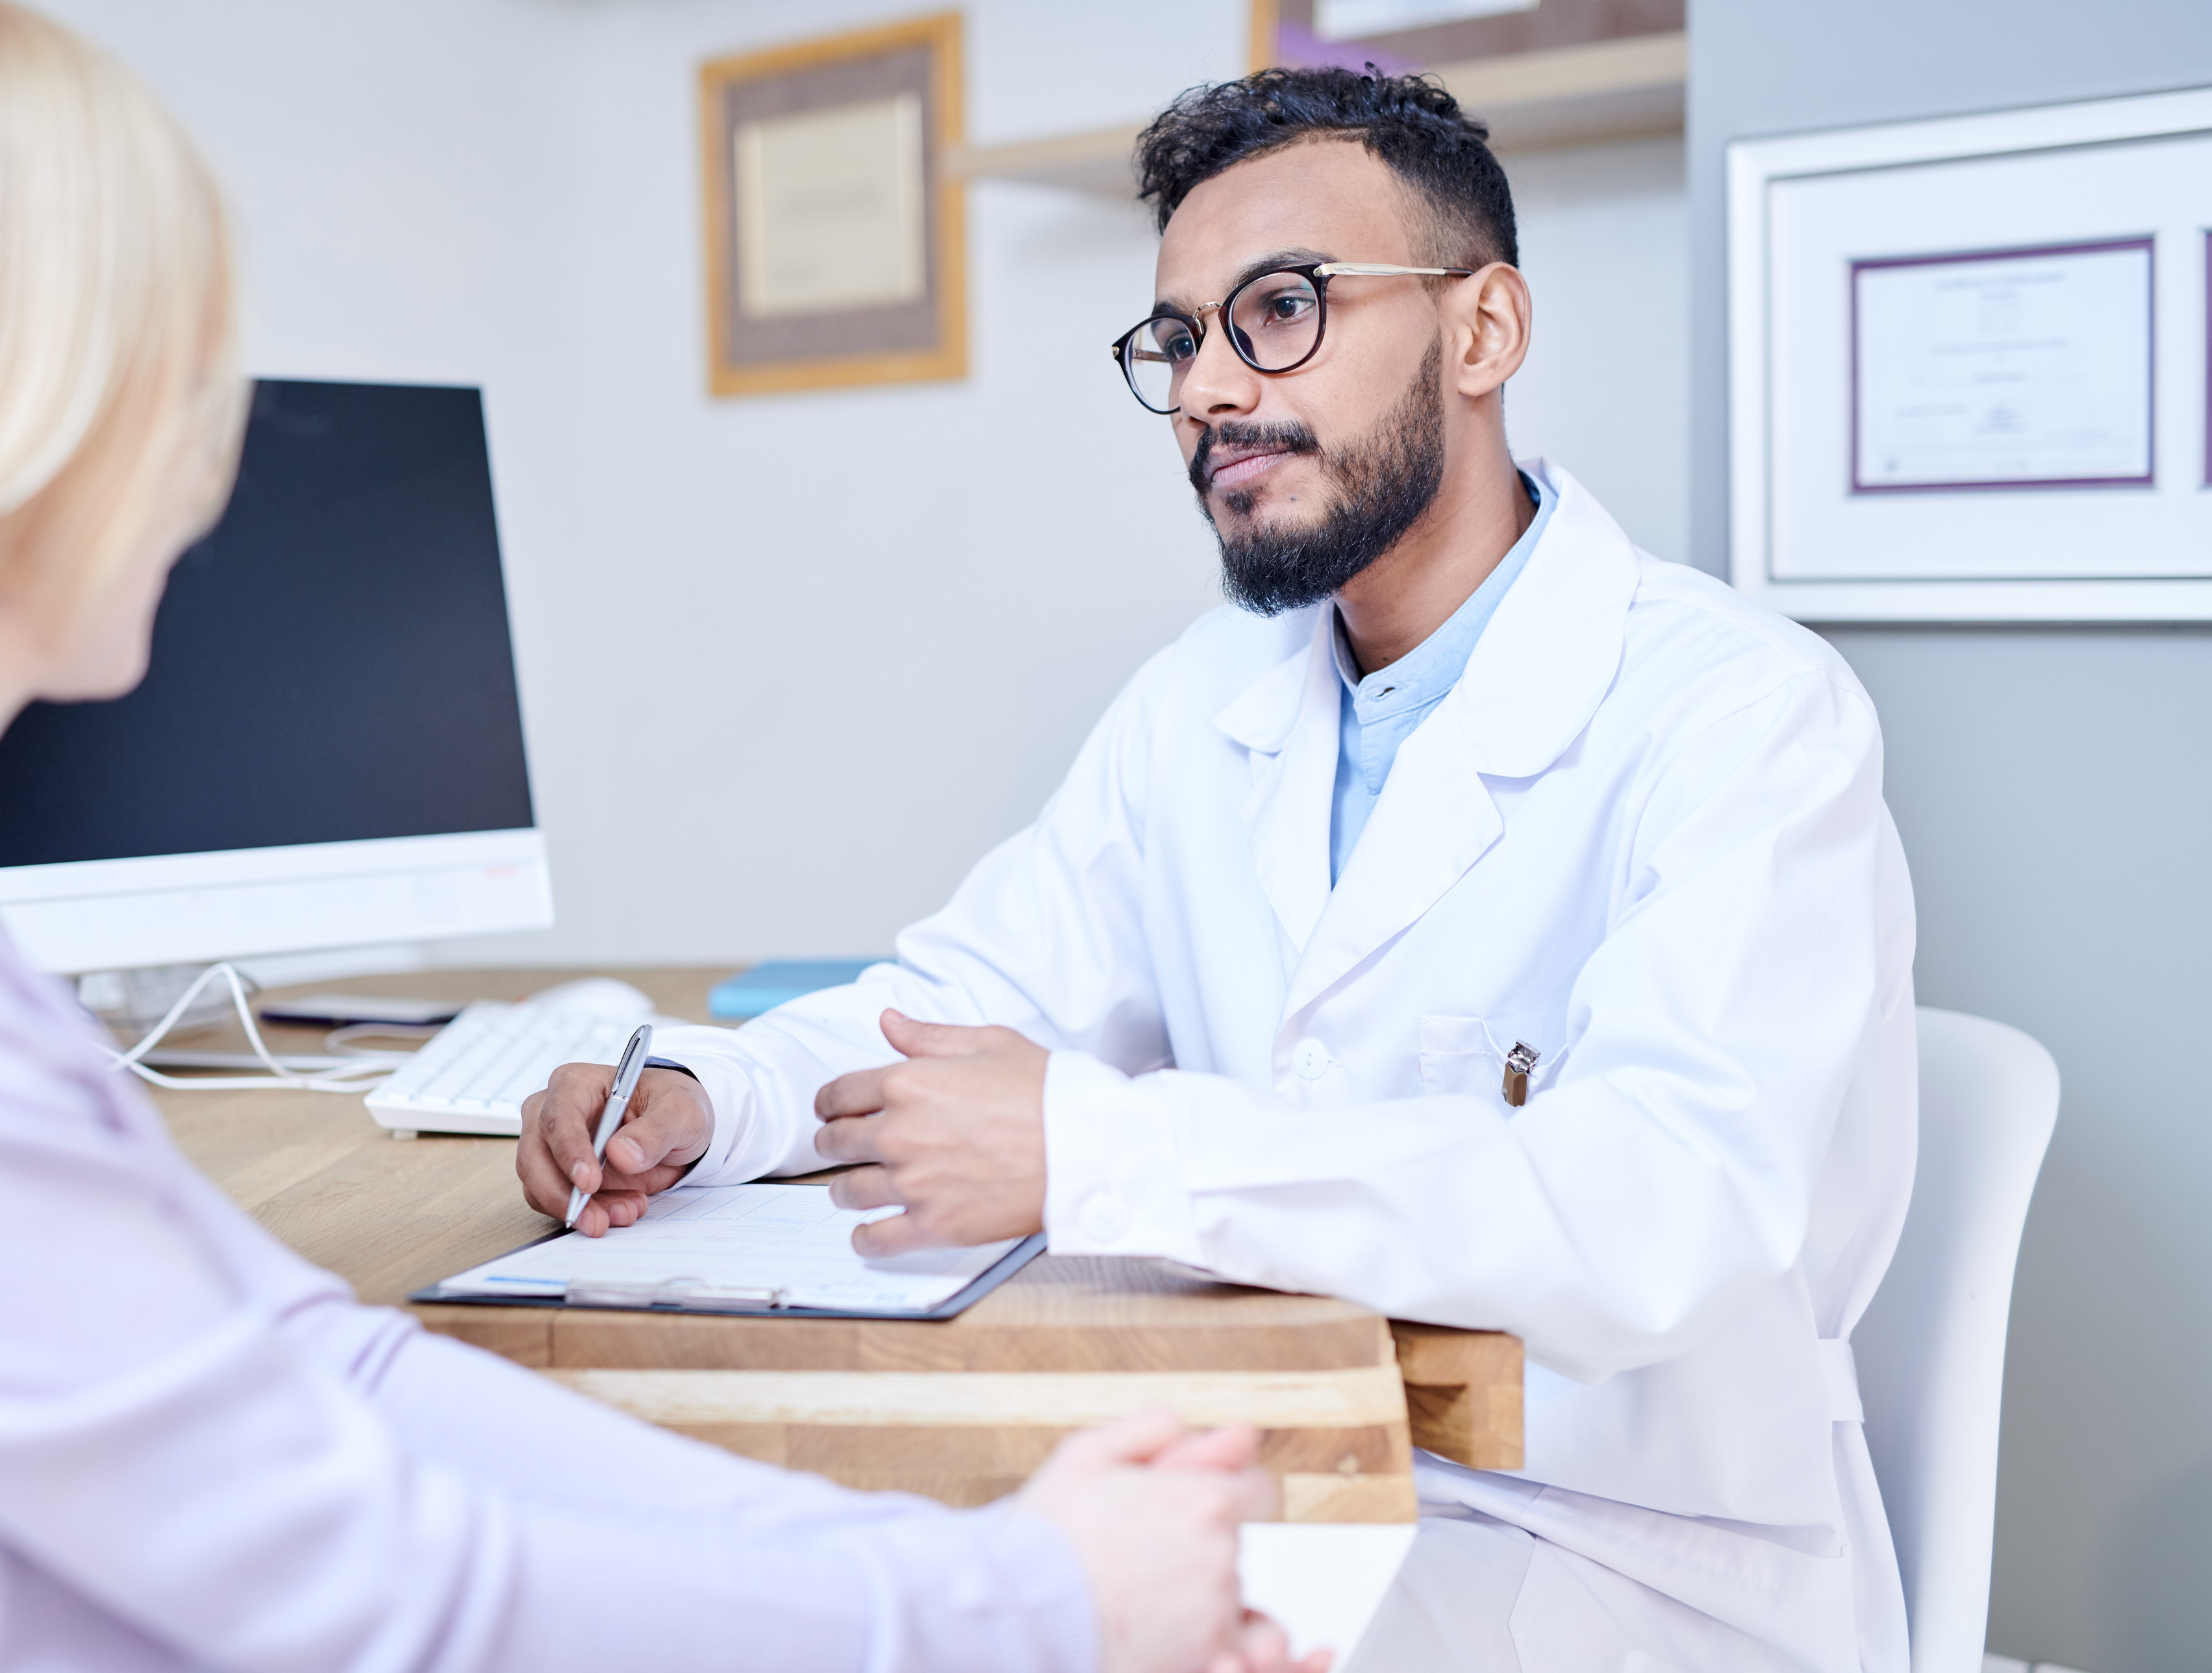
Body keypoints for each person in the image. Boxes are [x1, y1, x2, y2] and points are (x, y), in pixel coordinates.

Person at [0, 4, 1326, 1670]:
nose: (202, 457)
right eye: (169, 371)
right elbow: (374, 1588)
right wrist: (1037, 1604)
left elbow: (335, 1376)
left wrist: (997, 1565)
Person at [523, 67, 1917, 1673]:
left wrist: (1101, 1149)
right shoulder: (1204, 699)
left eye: (1279, 310)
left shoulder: (1743, 711)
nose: (1201, 389)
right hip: (1285, 1485)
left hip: (1625, 1564)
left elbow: (1655, 1210)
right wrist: (714, 1103)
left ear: (1482, 332)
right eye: (1180, 337)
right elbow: (962, 1006)